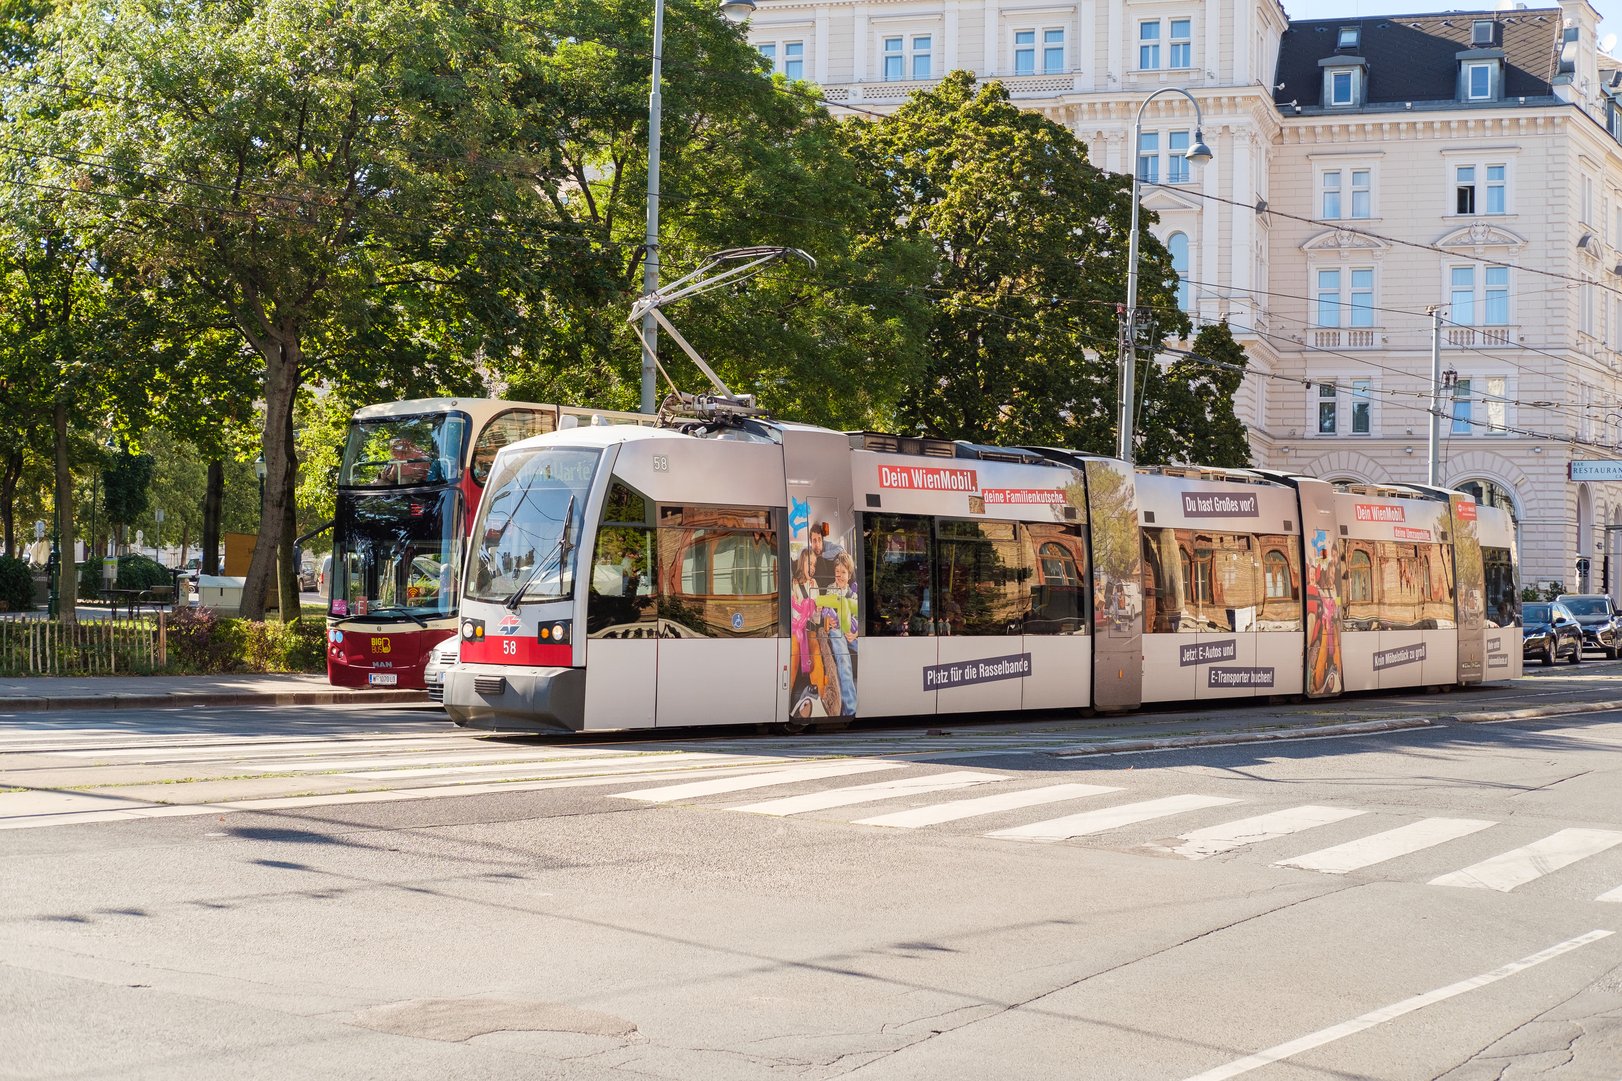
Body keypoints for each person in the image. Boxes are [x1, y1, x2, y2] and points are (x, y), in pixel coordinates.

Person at [813, 551, 859, 715]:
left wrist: (856, 634)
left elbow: (858, 617)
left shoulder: (854, 594)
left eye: (843, 573)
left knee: (868, 646)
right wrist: (827, 620)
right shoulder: (830, 591)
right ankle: (850, 708)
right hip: (836, 631)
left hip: (851, 631)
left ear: (849, 574)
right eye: (837, 572)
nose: (839, 576)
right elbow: (825, 615)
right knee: (844, 659)